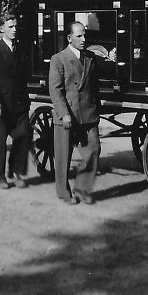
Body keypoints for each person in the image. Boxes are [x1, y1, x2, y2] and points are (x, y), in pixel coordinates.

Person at [48, 21, 101, 205]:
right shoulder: (59, 59)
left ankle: (83, 189)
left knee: (93, 150)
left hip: (88, 113)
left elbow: (94, 88)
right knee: (63, 155)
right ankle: (63, 192)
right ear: (69, 38)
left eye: (84, 35)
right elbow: (55, 90)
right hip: (68, 114)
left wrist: (97, 110)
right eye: (79, 36)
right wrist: (64, 114)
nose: (84, 39)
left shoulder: (91, 58)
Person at [0, 12, 31, 189]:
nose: (14, 30)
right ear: (2, 28)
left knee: (23, 136)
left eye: (15, 26)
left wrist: (26, 102)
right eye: (10, 27)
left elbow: (22, 78)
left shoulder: (20, 50)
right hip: (0, 105)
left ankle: (17, 171)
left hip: (19, 103)